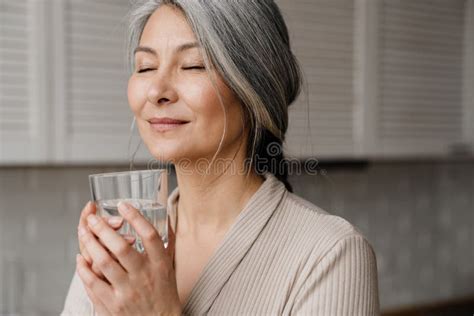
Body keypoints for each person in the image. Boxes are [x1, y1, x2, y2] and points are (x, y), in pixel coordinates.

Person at [61, 0, 380, 315]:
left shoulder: (331, 254)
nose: (157, 90)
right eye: (145, 67)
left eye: (193, 65)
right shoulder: (121, 247)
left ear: (255, 88)